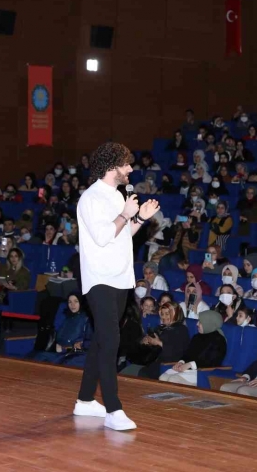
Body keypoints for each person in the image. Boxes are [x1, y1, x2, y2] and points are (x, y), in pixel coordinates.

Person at [73, 141, 161, 431]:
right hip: (99, 279)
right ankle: (114, 409)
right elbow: (101, 236)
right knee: (110, 341)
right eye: (126, 164)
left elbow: (121, 235)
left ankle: (85, 400)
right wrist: (126, 214)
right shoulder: (91, 198)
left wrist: (139, 218)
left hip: (121, 278)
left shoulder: (119, 195)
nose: (131, 169)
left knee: (101, 341)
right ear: (112, 166)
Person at [159, 310, 227, 386]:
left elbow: (211, 362)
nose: (197, 324)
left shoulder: (219, 340)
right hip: (187, 369)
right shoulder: (197, 337)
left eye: (200, 322)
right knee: (163, 377)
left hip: (202, 372)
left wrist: (190, 365)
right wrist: (181, 362)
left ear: (208, 323)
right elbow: (187, 353)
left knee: (173, 380)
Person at [31, 293, 91, 363]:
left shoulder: (86, 319)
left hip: (75, 355)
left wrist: (65, 349)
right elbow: (59, 336)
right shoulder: (67, 317)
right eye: (70, 302)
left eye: (76, 301)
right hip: (61, 352)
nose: (72, 305)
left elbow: (87, 344)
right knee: (38, 356)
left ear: (81, 302)